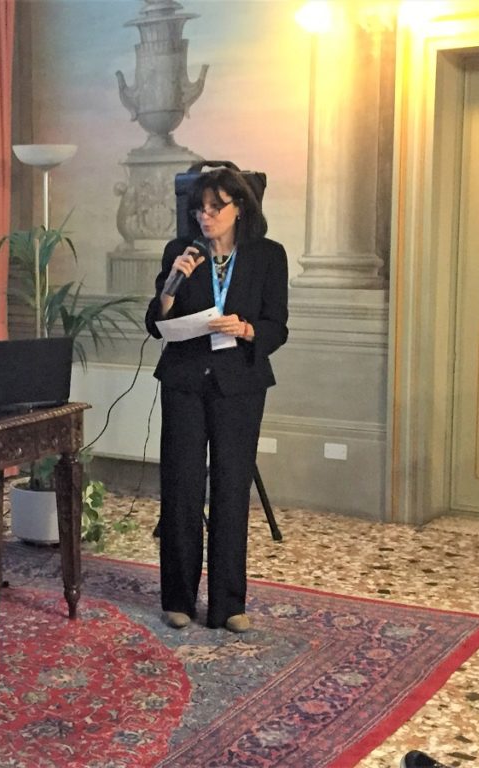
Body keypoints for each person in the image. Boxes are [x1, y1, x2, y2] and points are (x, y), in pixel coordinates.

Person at [145, 166, 288, 633]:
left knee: (231, 489)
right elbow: (155, 322)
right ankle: (178, 599)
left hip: (239, 385)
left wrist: (246, 329)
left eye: (215, 208)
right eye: (199, 210)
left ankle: (228, 604)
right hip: (185, 382)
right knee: (181, 489)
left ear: (239, 207)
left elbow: (277, 325)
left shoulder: (268, 255)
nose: (205, 217)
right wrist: (172, 284)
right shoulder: (180, 252)